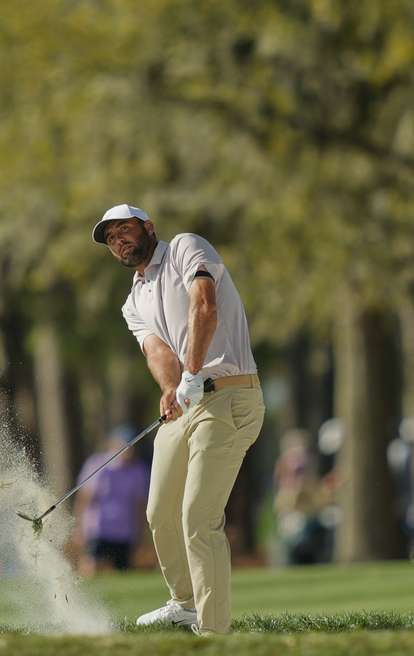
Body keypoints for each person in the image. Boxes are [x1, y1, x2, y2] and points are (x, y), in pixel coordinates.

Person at [93, 204, 266, 636]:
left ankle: (212, 632)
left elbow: (203, 305)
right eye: (111, 238)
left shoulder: (186, 248)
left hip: (231, 396)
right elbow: (157, 351)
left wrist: (191, 374)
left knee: (197, 516)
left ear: (148, 227)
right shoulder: (134, 298)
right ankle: (186, 603)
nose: (119, 240)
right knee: (159, 511)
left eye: (125, 230)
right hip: (188, 405)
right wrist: (173, 388)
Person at [73, 423, 152, 576]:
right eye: (125, 445)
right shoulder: (96, 464)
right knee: (90, 568)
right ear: (113, 444)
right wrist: (78, 528)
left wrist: (141, 536)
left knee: (122, 573)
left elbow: (141, 506)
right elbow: (84, 499)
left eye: (132, 445)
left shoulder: (139, 471)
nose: (128, 450)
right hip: (97, 529)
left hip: (124, 531)